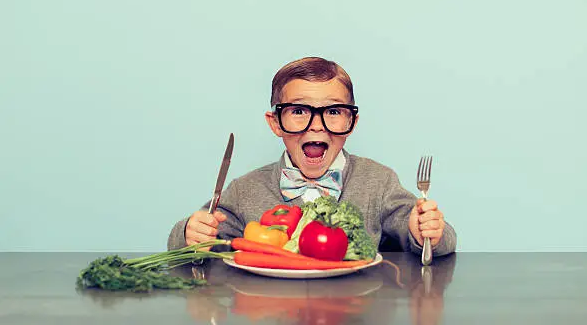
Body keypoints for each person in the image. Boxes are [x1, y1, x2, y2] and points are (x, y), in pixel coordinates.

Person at [167, 57, 457, 257]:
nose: (316, 125)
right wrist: (190, 234)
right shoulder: (245, 190)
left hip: (354, 309)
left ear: (351, 123)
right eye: (298, 112)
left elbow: (438, 239)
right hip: (270, 308)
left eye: (332, 112)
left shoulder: (377, 181)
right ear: (275, 122)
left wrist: (427, 231)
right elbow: (194, 239)